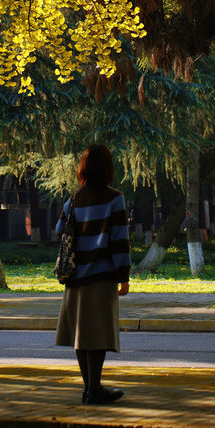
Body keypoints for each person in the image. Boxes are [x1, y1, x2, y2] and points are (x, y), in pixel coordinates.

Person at [55, 143, 131, 405]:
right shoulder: (114, 198)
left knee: (81, 334)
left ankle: (89, 388)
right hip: (101, 276)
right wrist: (124, 276)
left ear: (83, 168)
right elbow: (119, 240)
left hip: (75, 278)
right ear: (108, 168)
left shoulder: (74, 199)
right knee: (97, 335)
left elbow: (59, 228)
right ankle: (95, 389)